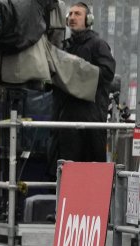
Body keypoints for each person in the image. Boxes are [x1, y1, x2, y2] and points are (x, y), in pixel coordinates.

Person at [49, 2, 115, 166]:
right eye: (70, 14)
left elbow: (107, 73)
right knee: (63, 173)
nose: (72, 17)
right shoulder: (64, 47)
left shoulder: (98, 45)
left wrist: (76, 69)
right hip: (64, 122)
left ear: (89, 19)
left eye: (77, 14)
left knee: (89, 174)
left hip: (89, 124)